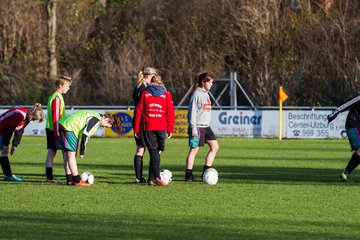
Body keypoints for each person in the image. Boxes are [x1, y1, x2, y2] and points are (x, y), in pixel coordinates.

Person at [57, 110, 122, 186]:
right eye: (106, 126)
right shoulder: (96, 119)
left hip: (64, 124)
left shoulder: (96, 116)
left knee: (67, 154)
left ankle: (69, 180)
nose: (104, 127)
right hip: (70, 128)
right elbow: (85, 135)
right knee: (71, 155)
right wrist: (82, 151)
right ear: (107, 119)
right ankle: (77, 180)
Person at [133, 70, 175, 186]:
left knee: (155, 152)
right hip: (161, 127)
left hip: (148, 127)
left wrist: (136, 129)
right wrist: (170, 129)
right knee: (156, 152)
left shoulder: (145, 93)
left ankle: (151, 179)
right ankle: (157, 177)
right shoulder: (166, 94)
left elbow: (138, 112)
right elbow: (170, 113)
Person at [185, 72, 219, 182]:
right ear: (203, 82)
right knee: (194, 150)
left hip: (206, 126)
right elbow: (192, 112)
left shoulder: (206, 93)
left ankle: (206, 172)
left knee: (215, 147)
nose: (211, 84)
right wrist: (193, 127)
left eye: (212, 82)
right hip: (197, 127)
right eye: (210, 82)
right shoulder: (196, 94)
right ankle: (188, 175)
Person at [0, 103, 44, 181]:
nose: (33, 121)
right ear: (32, 115)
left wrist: (14, 145)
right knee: (4, 152)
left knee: (4, 153)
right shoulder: (20, 115)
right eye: (34, 119)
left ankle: (8, 175)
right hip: (1, 129)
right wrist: (6, 145)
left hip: (4, 131)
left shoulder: (28, 116)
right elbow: (9, 130)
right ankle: (8, 176)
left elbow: (20, 130)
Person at [132, 67, 158, 184]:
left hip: (138, 121)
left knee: (140, 149)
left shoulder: (138, 86)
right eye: (154, 75)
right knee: (153, 150)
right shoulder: (145, 88)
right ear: (149, 76)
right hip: (145, 122)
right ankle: (152, 178)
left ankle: (139, 178)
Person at [45, 76, 72, 184]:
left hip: (53, 129)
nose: (68, 88)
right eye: (67, 86)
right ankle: (70, 178)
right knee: (65, 153)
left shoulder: (56, 96)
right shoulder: (56, 97)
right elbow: (56, 116)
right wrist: (57, 133)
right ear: (60, 85)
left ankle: (50, 178)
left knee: (53, 152)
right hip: (55, 129)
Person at [328, 95, 360, 182]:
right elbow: (347, 103)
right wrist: (335, 112)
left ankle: (345, 174)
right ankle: (345, 173)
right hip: (353, 125)